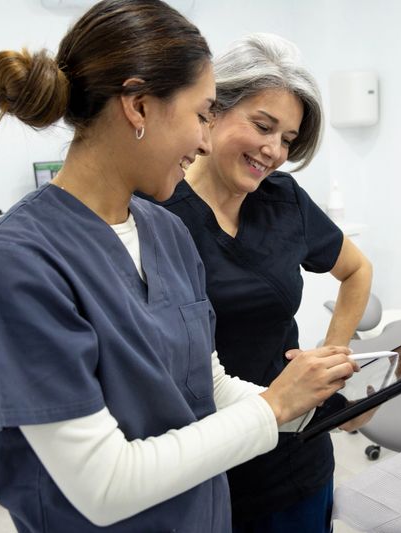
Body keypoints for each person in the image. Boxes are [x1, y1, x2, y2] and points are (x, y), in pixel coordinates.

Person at [0, 3, 357, 532]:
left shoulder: (165, 232)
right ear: (138, 106)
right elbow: (104, 483)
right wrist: (274, 407)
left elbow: (205, 383)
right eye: (202, 114)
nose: (206, 140)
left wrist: (322, 404)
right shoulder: (13, 269)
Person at [152, 34, 374, 532]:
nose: (273, 150)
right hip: (208, 458)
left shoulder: (283, 198)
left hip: (295, 452)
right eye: (263, 126)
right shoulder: (159, 213)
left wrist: (329, 360)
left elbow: (357, 271)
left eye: (288, 139)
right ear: (212, 112)